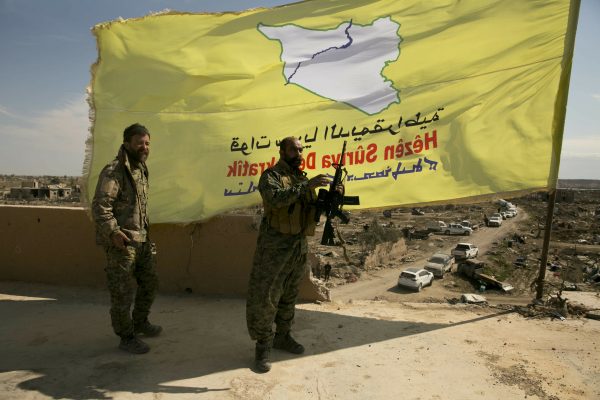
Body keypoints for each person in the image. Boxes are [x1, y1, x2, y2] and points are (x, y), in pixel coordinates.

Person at [246, 136, 335, 373]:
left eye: (301, 149)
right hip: (274, 249)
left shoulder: (300, 178)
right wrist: (307, 186)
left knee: (289, 295)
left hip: (298, 247)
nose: (299, 153)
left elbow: (307, 210)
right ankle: (263, 347)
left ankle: (283, 336)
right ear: (283, 152)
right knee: (268, 297)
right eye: (294, 150)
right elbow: (275, 200)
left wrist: (329, 200)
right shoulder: (271, 176)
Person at [92, 123, 161, 354]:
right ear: (127, 144)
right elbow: (101, 206)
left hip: (142, 240)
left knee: (150, 283)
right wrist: (113, 232)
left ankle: (140, 322)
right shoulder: (115, 171)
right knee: (122, 292)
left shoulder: (141, 168)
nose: (145, 147)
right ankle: (126, 336)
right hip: (122, 243)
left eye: (147, 143)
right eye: (140, 143)